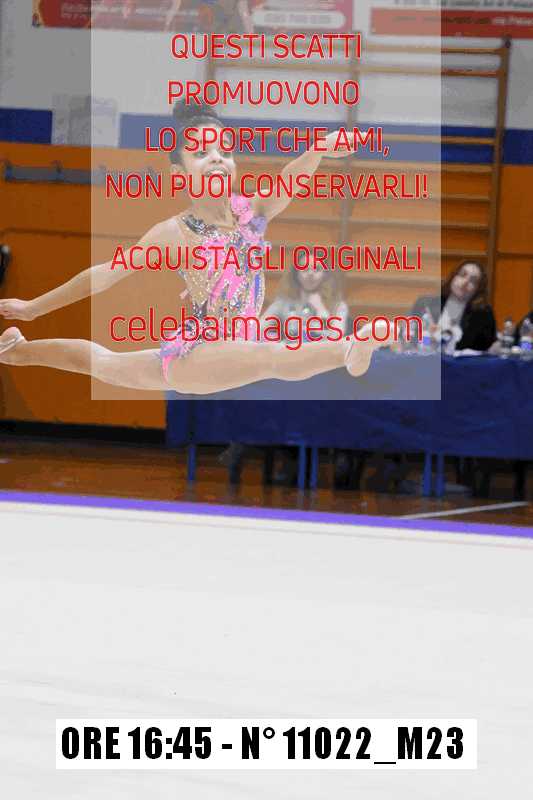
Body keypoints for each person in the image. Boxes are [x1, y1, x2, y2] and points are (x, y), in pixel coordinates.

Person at [0, 102, 390, 393]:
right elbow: (104, 275)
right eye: (201, 154)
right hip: (201, 354)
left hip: (229, 349)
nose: (217, 158)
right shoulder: (174, 233)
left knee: (104, 363)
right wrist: (34, 308)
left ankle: (18, 351)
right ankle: (347, 349)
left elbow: (291, 178)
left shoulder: (252, 212)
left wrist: (318, 148)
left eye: (224, 151)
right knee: (270, 356)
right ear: (179, 174)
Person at [410, 260, 496, 353]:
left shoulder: (483, 314)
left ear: (478, 289)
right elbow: (412, 339)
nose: (465, 282)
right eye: (462, 275)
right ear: (453, 277)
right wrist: (428, 340)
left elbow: (486, 348)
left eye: (473, 281)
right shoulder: (426, 304)